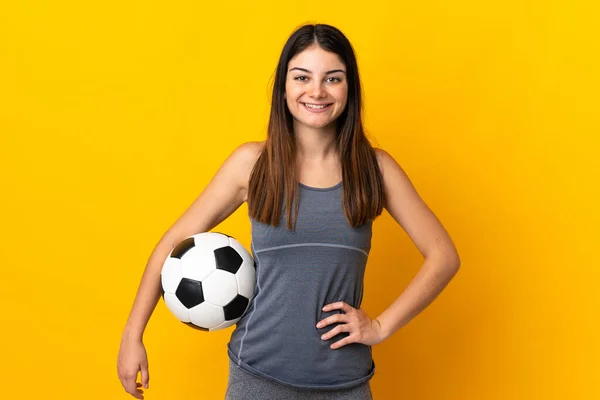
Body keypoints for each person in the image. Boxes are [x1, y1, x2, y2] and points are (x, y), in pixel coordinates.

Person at [117, 23, 461, 400]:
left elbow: (443, 256)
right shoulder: (251, 164)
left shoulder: (375, 169)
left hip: (344, 383)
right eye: (302, 77)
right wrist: (133, 335)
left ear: (350, 89)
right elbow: (171, 244)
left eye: (333, 78)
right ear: (284, 87)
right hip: (257, 376)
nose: (317, 91)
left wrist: (380, 326)